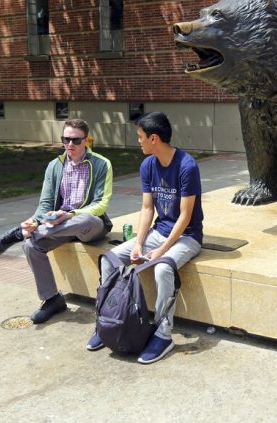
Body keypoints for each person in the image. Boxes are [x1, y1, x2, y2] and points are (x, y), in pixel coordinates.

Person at [87, 111, 203, 364]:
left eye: (140, 137)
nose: (138, 141)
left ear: (154, 138)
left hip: (187, 237)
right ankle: (108, 322)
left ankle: (163, 335)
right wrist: (139, 244)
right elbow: (147, 209)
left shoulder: (186, 166)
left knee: (163, 269)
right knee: (110, 260)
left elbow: (184, 218)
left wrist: (161, 252)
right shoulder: (148, 165)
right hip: (158, 232)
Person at [0, 119, 113, 323]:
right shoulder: (55, 166)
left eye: (75, 140)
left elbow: (101, 204)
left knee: (85, 219)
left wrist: (70, 215)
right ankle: (52, 300)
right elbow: (45, 203)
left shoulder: (101, 163)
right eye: (66, 139)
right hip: (57, 225)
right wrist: (35, 221)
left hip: (90, 224)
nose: (70, 145)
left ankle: (18, 233)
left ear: (86, 141)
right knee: (31, 246)